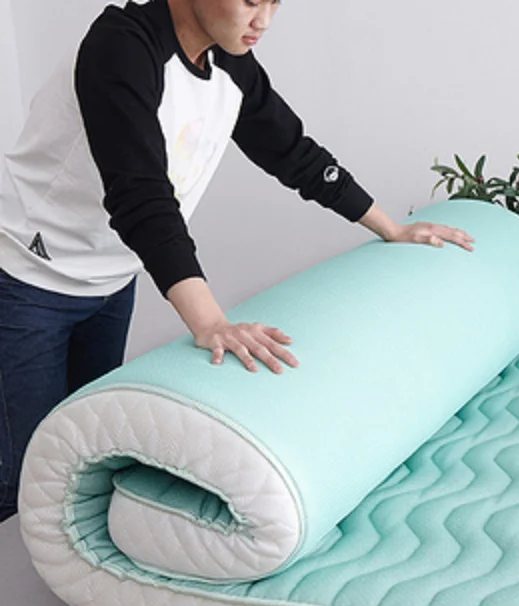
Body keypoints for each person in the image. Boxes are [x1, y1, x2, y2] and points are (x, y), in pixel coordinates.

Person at [0, 0, 475, 523]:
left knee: (79, 459)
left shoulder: (229, 64)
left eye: (275, 2)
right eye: (250, 0)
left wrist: (391, 228)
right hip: (25, 278)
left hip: (110, 281)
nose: (264, 20)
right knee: (19, 475)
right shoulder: (122, 46)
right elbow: (141, 197)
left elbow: (295, 154)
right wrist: (210, 322)